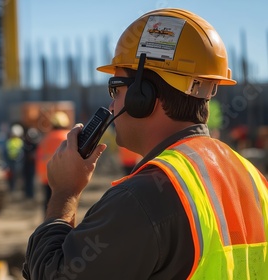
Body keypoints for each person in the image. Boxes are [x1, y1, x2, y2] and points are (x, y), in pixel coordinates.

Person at [23, 8, 268, 279]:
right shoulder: (254, 179)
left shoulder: (142, 198)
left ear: (143, 95)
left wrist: (64, 194)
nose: (112, 103)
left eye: (116, 88)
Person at [35, 111, 70, 213]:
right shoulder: (67, 137)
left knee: (48, 201)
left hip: (46, 176)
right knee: (64, 204)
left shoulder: (45, 138)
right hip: (63, 177)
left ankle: (46, 223)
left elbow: (39, 157)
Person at [4, 124, 24, 193]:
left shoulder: (9, 141)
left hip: (11, 162)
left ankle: (12, 189)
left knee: (12, 177)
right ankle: (15, 189)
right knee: (16, 177)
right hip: (16, 162)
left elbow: (5, 152)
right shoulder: (20, 141)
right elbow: (22, 153)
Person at [22, 127, 41, 200]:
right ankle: (28, 194)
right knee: (27, 180)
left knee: (32, 180)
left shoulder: (36, 144)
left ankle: (31, 194)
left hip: (32, 165)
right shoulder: (25, 144)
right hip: (26, 164)